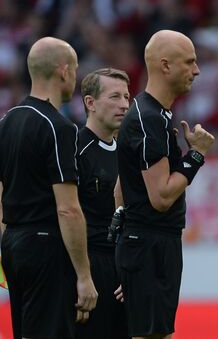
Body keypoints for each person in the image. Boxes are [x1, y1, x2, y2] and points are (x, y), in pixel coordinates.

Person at [0, 37, 98, 339]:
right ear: (63, 71)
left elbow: (2, 198)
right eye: (75, 69)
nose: (76, 78)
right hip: (46, 246)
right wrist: (83, 275)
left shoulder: (5, 122)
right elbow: (67, 207)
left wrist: (12, 245)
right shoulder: (58, 127)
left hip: (13, 242)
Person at [116, 30, 214, 339]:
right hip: (148, 243)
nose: (196, 71)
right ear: (165, 66)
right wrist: (196, 155)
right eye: (190, 62)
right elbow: (161, 197)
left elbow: (121, 188)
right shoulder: (148, 118)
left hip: (150, 242)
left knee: (158, 333)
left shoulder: (156, 115)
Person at [75, 68, 130, 339]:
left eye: (127, 97)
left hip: (124, 270)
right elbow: (64, 215)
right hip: (90, 269)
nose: (124, 105)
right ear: (90, 102)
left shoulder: (129, 151)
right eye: (115, 97)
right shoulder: (74, 149)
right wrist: (79, 279)